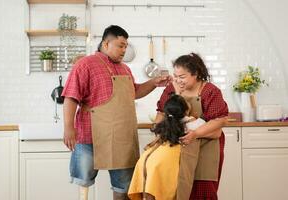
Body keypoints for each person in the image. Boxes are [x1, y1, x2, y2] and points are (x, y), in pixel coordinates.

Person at [62, 25, 169, 200]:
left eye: (126, 46)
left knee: (125, 186)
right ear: (105, 44)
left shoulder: (124, 69)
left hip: (121, 137)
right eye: (120, 45)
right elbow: (71, 97)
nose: (124, 50)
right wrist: (68, 128)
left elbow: (134, 91)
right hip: (90, 136)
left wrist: (154, 82)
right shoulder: (85, 64)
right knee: (83, 181)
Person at [155, 53, 228, 200]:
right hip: (178, 148)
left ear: (196, 74)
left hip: (206, 148)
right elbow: (162, 112)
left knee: (203, 188)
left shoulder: (210, 91)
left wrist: (195, 134)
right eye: (175, 76)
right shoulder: (171, 89)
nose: (177, 80)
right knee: (179, 186)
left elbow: (220, 120)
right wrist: (158, 133)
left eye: (182, 77)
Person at [128, 94, 208, 200]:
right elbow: (209, 127)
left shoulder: (163, 124)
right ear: (186, 111)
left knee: (150, 188)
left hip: (148, 158)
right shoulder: (194, 123)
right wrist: (195, 117)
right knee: (164, 190)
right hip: (167, 160)